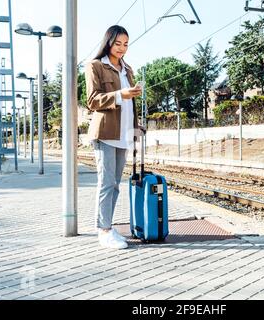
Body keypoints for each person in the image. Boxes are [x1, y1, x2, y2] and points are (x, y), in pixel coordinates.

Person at [85, 25, 144, 249]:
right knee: (106, 183)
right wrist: (121, 94)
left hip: (125, 133)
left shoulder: (127, 69)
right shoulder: (95, 66)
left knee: (116, 184)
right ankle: (103, 231)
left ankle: (109, 227)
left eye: (126, 44)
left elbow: (131, 105)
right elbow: (92, 101)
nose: (122, 48)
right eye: (118, 43)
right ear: (108, 42)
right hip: (106, 133)